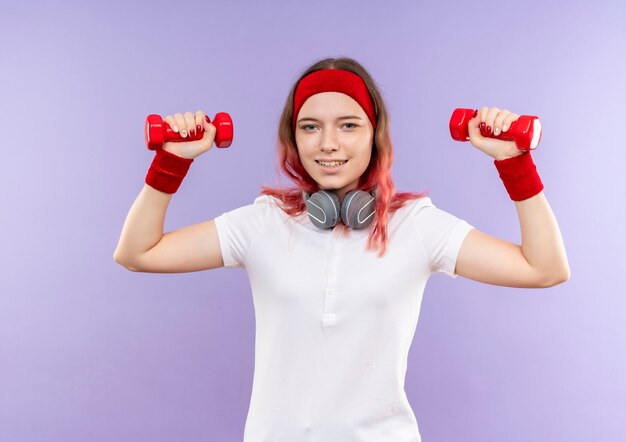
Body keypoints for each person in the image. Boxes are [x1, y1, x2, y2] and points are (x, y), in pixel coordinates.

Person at [113, 57, 570, 441]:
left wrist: (514, 164)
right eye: (310, 126)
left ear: (375, 135)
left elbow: (544, 268)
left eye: (348, 125)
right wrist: (170, 161)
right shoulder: (263, 222)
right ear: (294, 138)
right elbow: (138, 253)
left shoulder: (417, 226)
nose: (328, 143)